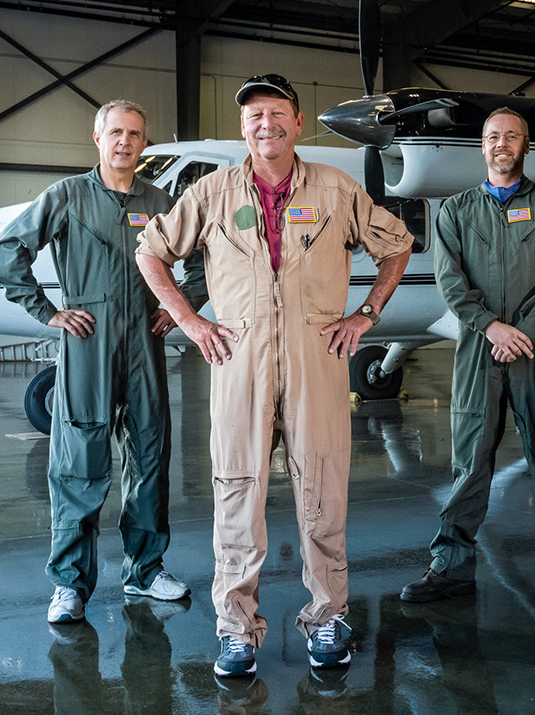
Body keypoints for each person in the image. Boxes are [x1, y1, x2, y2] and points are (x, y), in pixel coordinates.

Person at [135, 73, 413, 676]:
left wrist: (366, 313)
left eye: (278, 112)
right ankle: (236, 629)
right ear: (244, 126)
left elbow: (397, 244)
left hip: (318, 360)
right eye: (256, 114)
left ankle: (328, 617)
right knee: (237, 493)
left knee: (324, 489)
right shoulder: (210, 193)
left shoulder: (336, 190)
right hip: (239, 363)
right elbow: (151, 251)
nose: (268, 124)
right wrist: (189, 320)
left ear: (297, 119)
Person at [0, 100, 203, 625]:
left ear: (143, 143)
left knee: (150, 455)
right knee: (78, 463)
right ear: (97, 137)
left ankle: (146, 571)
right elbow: (8, 251)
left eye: (134, 133)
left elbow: (204, 258)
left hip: (145, 345)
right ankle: (69, 584)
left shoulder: (160, 200)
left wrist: (178, 309)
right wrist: (49, 312)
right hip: (88, 342)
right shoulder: (66, 197)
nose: (124, 142)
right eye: (115, 132)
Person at [400, 108, 535, 605]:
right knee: (470, 462)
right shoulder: (455, 210)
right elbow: (450, 280)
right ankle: (451, 565)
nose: (501, 144)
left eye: (511, 136)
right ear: (482, 146)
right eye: (492, 136)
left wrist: (526, 329)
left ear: (526, 144)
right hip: (479, 348)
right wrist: (491, 326)